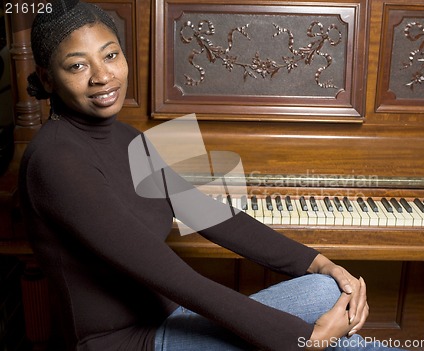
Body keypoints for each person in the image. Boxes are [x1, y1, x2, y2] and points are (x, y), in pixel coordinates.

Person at [19, 1, 398, 350]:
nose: (103, 76)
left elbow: (208, 213)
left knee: (326, 289)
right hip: (130, 340)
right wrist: (302, 340)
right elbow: (171, 276)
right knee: (336, 344)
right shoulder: (55, 162)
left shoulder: (128, 138)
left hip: (174, 316)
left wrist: (318, 262)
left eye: (111, 55)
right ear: (48, 78)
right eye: (77, 65)